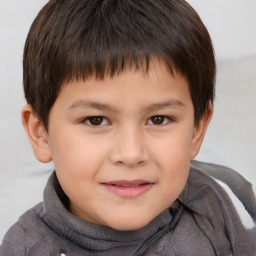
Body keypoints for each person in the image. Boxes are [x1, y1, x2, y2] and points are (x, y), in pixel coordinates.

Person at [0, 0, 255, 255]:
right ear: (40, 133)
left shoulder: (229, 200)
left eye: (158, 119)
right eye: (95, 120)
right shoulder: (24, 249)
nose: (131, 154)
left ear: (197, 130)